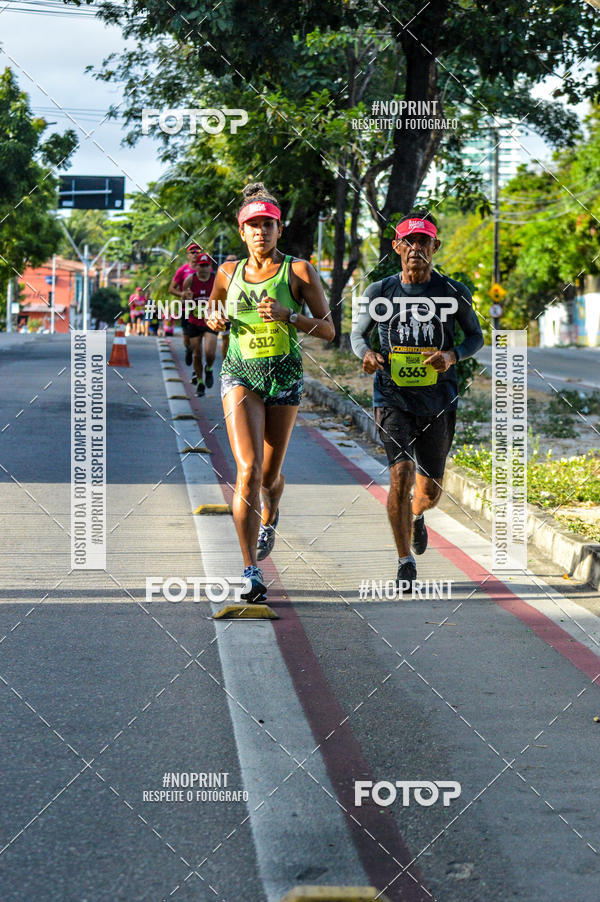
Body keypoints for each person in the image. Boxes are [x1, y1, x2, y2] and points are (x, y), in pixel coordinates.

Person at [206, 182, 335, 602]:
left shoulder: (298, 272)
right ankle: (250, 571)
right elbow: (214, 307)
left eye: (268, 224)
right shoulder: (227, 272)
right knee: (246, 469)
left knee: (267, 476)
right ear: (241, 231)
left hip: (284, 378)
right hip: (240, 374)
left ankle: (271, 511)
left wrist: (289, 316)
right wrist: (214, 320)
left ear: (279, 231)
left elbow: (330, 330)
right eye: (253, 225)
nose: (261, 231)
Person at [350, 211, 484, 592]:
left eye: (423, 242)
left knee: (429, 493)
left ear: (434, 247)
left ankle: (417, 515)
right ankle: (404, 560)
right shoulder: (379, 291)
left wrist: (452, 356)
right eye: (408, 242)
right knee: (400, 474)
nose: (415, 249)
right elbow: (358, 335)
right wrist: (368, 354)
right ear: (396, 247)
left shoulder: (452, 291)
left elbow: (475, 338)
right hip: (392, 396)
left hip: (439, 398)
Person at [182, 253, 217, 397]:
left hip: (211, 321)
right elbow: (183, 301)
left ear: (210, 266)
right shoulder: (190, 280)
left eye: (206, 265)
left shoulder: (216, 280)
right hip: (194, 321)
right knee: (197, 354)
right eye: (201, 266)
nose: (203, 269)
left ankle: (208, 368)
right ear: (197, 267)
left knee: (210, 352)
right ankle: (201, 382)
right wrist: (188, 299)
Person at [169, 243, 201, 366]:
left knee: (199, 335)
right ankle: (188, 349)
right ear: (188, 255)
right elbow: (171, 289)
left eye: (198, 252)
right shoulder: (183, 270)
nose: (195, 254)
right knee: (187, 335)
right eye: (192, 252)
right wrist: (182, 294)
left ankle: (197, 359)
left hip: (200, 309)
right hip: (186, 307)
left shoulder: (205, 269)